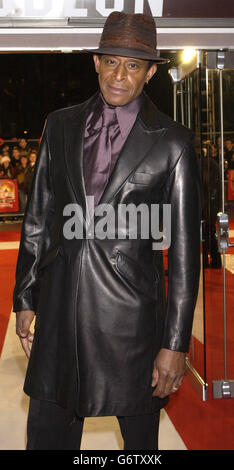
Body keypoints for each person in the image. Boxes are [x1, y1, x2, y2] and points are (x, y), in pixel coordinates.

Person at [13, 11, 201, 451]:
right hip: (60, 316)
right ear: (96, 61)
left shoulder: (173, 142)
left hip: (132, 326)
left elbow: (184, 257)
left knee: (139, 450)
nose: (120, 75)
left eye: (133, 65)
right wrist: (24, 297)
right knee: (46, 436)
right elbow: (38, 218)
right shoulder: (58, 125)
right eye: (112, 61)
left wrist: (174, 344)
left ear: (150, 72)